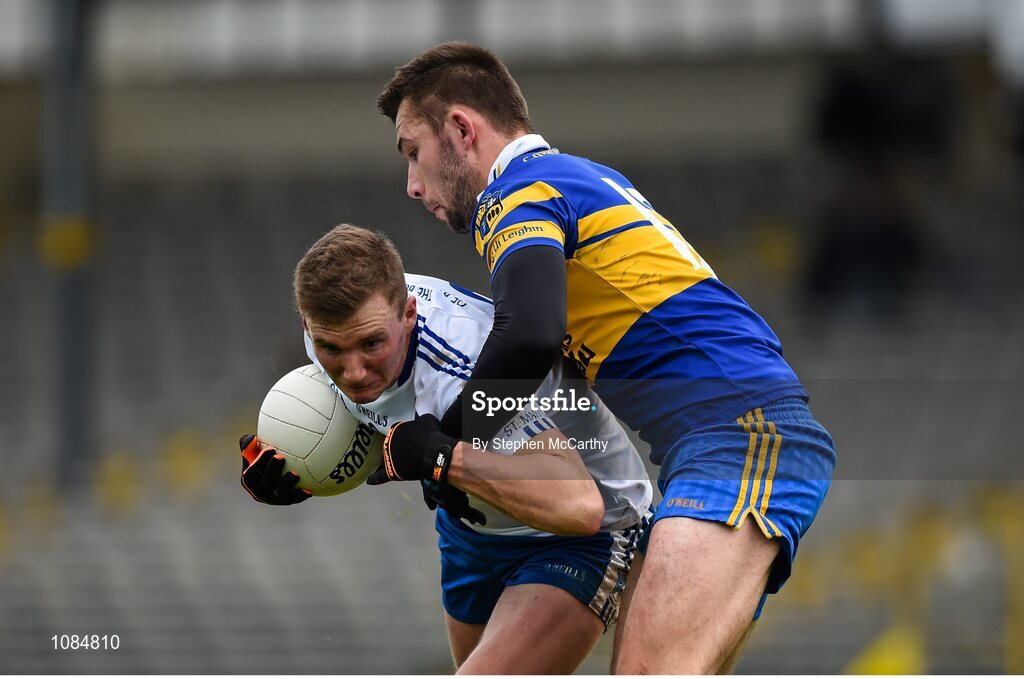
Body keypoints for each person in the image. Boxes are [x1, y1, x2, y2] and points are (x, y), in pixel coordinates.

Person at [375, 42, 837, 674]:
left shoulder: (518, 195)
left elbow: (530, 335)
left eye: (413, 152)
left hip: (741, 432)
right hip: (714, 443)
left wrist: (450, 445)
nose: (412, 184)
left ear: (461, 128)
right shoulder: (571, 178)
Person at [239, 223, 652, 674]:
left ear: (410, 314)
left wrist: (442, 457)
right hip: (473, 529)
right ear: (307, 325)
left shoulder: (466, 370)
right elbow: (396, 429)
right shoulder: (325, 335)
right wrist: (304, 470)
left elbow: (579, 503)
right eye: (331, 348)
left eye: (371, 344)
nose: (353, 371)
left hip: (580, 534)